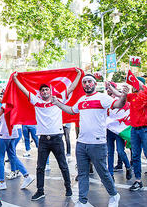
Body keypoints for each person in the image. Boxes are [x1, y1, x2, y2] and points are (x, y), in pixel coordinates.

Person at [52, 75, 127, 207]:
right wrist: (57, 103)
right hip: (81, 143)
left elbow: (119, 104)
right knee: (82, 174)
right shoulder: (81, 99)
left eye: (89, 82)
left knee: (103, 172)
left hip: (97, 144)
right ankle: (82, 201)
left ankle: (114, 195)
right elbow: (71, 110)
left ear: (94, 83)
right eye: (84, 82)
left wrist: (124, 96)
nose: (87, 84)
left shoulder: (102, 97)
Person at [13, 68, 82, 201]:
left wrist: (78, 74)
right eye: (42, 90)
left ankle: (68, 188)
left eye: (47, 90)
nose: (45, 92)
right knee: (40, 167)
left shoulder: (58, 98)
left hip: (57, 138)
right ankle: (40, 191)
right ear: (40, 92)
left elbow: (71, 87)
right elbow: (23, 90)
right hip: (43, 139)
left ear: (50, 91)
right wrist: (15, 79)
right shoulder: (36, 101)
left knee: (63, 165)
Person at [0, 104, 34, 190]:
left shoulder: (5, 105)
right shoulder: (14, 103)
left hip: (4, 134)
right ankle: (27, 176)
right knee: (12, 156)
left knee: (0, 158)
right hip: (13, 133)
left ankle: (1, 182)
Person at [127, 77, 147, 191]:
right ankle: (138, 180)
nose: (133, 86)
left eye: (136, 84)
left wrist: (140, 86)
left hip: (146, 129)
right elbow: (121, 96)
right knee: (135, 156)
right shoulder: (131, 96)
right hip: (134, 129)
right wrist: (110, 87)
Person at [106, 82, 132, 181]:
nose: (109, 92)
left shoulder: (122, 101)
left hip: (119, 131)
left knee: (120, 151)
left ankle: (128, 166)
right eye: (108, 90)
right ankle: (110, 174)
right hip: (109, 130)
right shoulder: (106, 101)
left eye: (111, 90)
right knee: (110, 152)